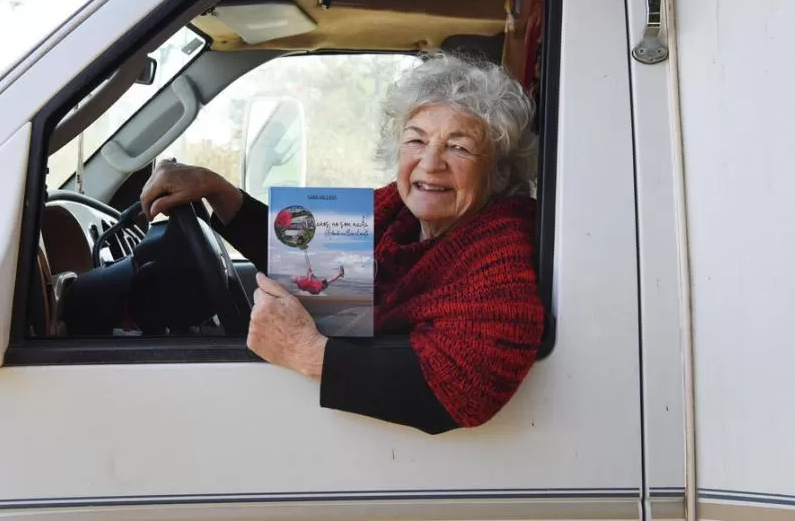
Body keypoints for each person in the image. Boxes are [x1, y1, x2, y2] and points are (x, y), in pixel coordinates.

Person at [140, 51, 545, 434]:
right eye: (417, 140)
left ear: (497, 170)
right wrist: (215, 188)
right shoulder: (398, 211)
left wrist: (306, 351)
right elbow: (306, 255)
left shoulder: (502, 248)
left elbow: (462, 390)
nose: (431, 162)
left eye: (459, 147)